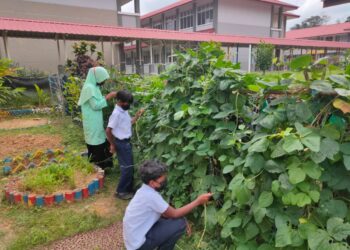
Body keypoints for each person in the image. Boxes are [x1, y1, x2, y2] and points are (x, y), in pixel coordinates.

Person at [123, 160, 212, 250]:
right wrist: (198, 201)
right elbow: (174, 214)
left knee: (179, 220)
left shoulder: (144, 190)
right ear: (152, 183)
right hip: (139, 245)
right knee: (180, 224)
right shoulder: (151, 196)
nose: (165, 180)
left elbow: (166, 213)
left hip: (134, 239)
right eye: (162, 180)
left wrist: (183, 218)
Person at [106, 90, 145, 200]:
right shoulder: (116, 114)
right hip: (121, 143)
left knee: (130, 167)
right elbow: (108, 130)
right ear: (118, 100)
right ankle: (121, 191)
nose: (127, 104)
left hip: (126, 143)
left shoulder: (124, 111)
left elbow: (130, 122)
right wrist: (112, 145)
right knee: (126, 168)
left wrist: (137, 116)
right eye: (125, 102)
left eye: (128, 102)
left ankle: (128, 189)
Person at [78, 66, 116, 169]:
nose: (103, 81)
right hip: (91, 121)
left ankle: (104, 166)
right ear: (97, 77)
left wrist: (106, 98)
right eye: (102, 79)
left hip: (95, 119)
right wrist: (108, 97)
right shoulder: (89, 88)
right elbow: (95, 106)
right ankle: (99, 167)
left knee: (101, 140)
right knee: (95, 142)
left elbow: (98, 102)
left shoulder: (94, 87)